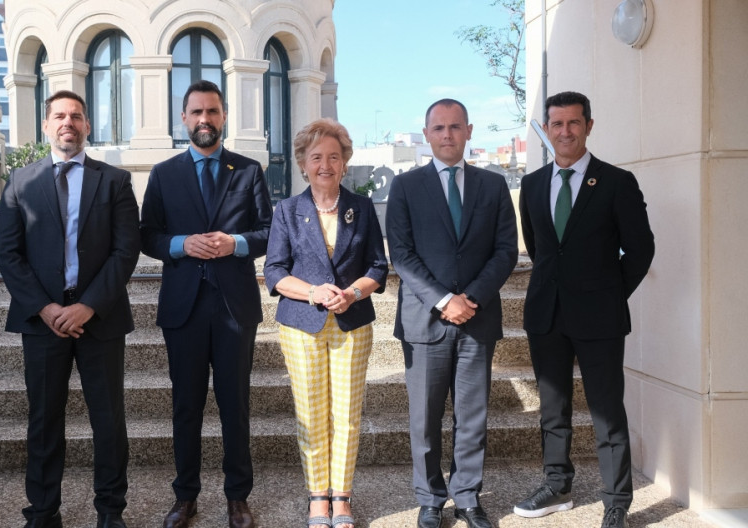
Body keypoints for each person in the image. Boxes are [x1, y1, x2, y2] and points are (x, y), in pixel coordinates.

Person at [0, 90, 140, 528]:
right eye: (59, 116)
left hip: (100, 319)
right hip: (43, 324)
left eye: (76, 116)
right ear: (45, 125)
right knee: (43, 420)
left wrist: (88, 307)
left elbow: (125, 251)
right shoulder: (20, 182)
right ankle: (42, 511)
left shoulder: (114, 180)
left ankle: (111, 510)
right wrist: (45, 308)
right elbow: (9, 254)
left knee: (108, 421)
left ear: (87, 126)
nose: (68, 123)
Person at [513, 91, 654, 528]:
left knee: (607, 411)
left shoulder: (616, 182)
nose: (565, 131)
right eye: (557, 124)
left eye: (574, 123)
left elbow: (641, 249)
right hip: (546, 316)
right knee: (552, 409)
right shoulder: (534, 184)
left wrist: (609, 293)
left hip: (600, 318)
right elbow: (539, 249)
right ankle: (557, 485)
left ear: (589, 126)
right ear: (548, 129)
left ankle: (616, 502)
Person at [140, 80, 272, 528]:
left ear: (224, 116)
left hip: (235, 307)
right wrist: (181, 244)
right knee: (186, 406)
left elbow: (269, 232)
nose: (204, 120)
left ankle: (238, 497)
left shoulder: (249, 171)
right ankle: (185, 497)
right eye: (196, 112)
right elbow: (148, 235)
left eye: (212, 112)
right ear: (183, 119)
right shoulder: (164, 173)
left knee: (236, 405)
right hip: (184, 307)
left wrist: (233, 243)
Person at [385, 99, 518, 528]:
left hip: (477, 320)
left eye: (455, 127)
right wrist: (445, 300)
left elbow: (504, 251)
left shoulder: (493, 186)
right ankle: (430, 498)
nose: (447, 134)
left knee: (472, 415)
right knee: (424, 419)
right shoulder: (406, 187)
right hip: (425, 322)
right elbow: (401, 255)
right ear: (426, 135)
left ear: (469, 130)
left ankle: (467, 497)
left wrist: (471, 298)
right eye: (438, 128)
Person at [263, 118, 388, 528]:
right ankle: (318, 497)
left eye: (334, 156)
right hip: (302, 323)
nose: (325, 164)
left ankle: (343, 496)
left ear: (345, 162)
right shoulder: (286, 210)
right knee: (312, 413)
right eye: (316, 157)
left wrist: (351, 292)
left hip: (353, 321)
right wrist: (315, 292)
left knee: (347, 414)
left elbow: (378, 266)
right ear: (302, 163)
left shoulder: (362, 208)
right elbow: (275, 272)